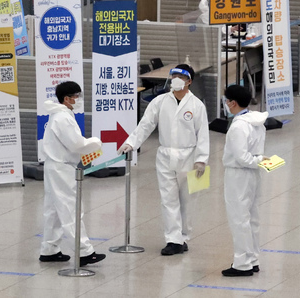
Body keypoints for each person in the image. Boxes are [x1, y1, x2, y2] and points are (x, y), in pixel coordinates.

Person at [118, 64, 209, 255]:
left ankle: (184, 237)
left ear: (189, 81)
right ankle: (173, 240)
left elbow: (203, 134)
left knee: (188, 200)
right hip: (166, 156)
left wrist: (201, 159)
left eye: (180, 76)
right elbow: (145, 124)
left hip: (190, 156)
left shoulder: (197, 105)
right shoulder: (160, 102)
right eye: (173, 75)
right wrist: (131, 143)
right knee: (168, 199)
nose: (175, 79)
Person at [39, 81, 106, 266]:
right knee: (70, 209)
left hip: (55, 166)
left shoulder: (61, 115)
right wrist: (96, 142)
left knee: (53, 210)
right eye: (76, 96)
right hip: (62, 168)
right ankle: (84, 252)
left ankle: (49, 249)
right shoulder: (63, 118)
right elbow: (77, 144)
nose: (79, 99)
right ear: (66, 99)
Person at [221, 85, 268, 277]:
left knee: (239, 218)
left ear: (232, 103)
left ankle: (242, 263)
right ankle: (253, 258)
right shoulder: (257, 121)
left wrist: (255, 161)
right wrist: (259, 161)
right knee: (251, 217)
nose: (225, 104)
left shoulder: (239, 126)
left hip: (238, 174)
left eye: (226, 101)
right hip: (254, 174)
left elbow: (241, 157)